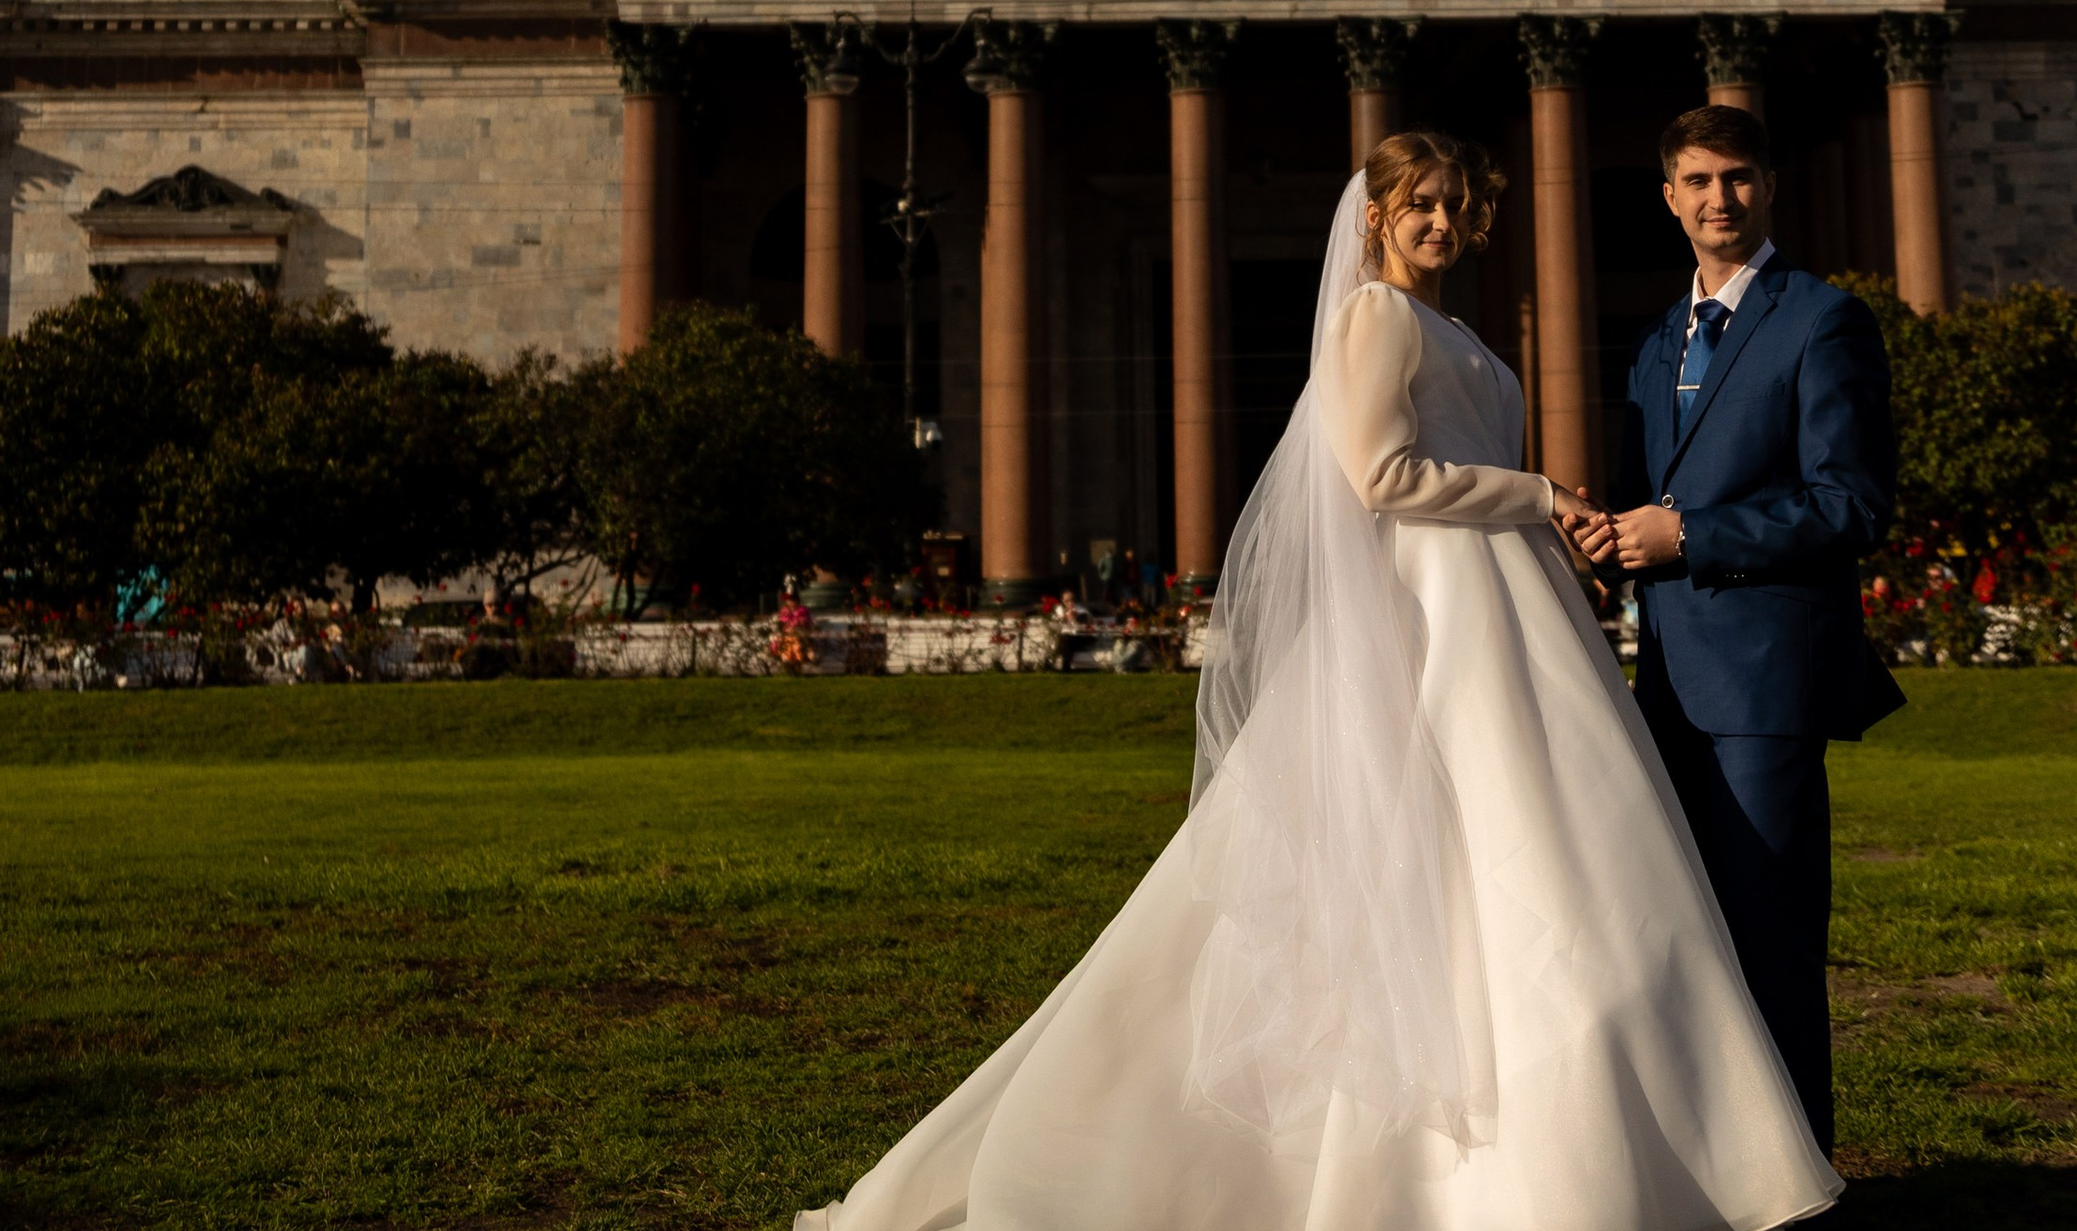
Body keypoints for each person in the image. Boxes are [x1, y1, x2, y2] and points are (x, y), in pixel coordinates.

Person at [796, 132, 1842, 1231]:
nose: (1440, 221)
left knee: (1543, 865)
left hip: (1500, 612)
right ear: (1376, 217)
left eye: (1452, 203)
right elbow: (1380, 475)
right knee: (1500, 860)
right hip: (1446, 611)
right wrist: (1537, 496)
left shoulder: (1446, 325)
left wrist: (1542, 512)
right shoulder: (1375, 316)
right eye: (1418, 205)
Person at [1572, 105, 1901, 1154]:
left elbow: (1851, 502)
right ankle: (1716, 1162)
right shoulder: (1658, 337)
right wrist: (1598, 530)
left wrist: (1690, 535)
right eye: (1698, 181)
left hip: (1764, 684)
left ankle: (1799, 1172)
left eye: (1740, 178)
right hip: (1663, 682)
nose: (1720, 198)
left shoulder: (1823, 319)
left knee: (1766, 932)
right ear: (1667, 196)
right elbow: (1647, 500)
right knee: (1682, 937)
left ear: (1770, 186)